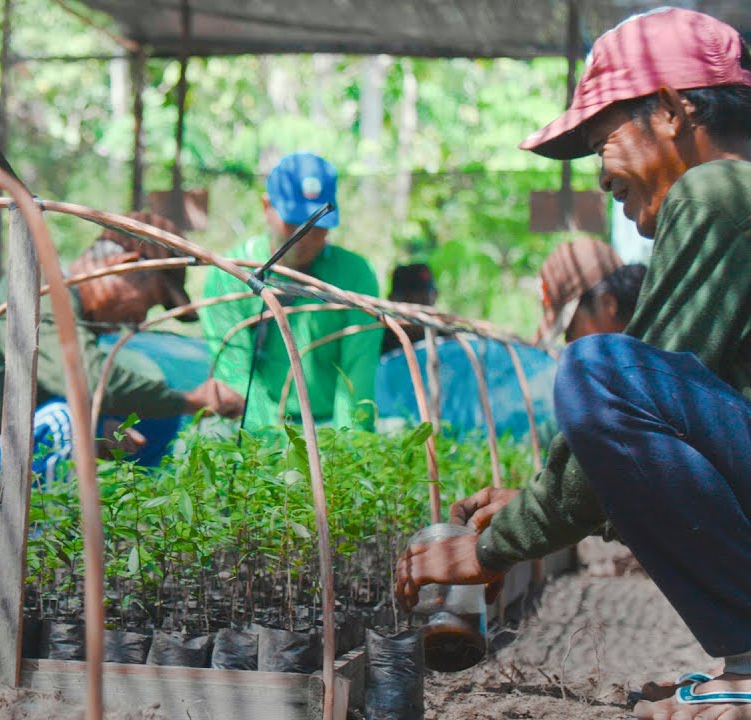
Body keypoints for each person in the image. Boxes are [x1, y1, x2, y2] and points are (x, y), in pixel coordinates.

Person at [394, 8, 751, 718]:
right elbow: (691, 447)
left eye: (602, 141)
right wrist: (538, 508)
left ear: (675, 111)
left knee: (596, 372)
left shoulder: (716, 193)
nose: (598, 178)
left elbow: (628, 389)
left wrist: (495, 550)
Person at [0, 210, 245, 479]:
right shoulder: (45, 291)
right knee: (65, 419)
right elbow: (84, 380)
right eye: (148, 302)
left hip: (4, 456)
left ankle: (130, 525)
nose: (139, 319)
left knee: (155, 419)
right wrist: (189, 401)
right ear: (125, 265)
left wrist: (99, 428)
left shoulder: (70, 307)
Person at [200, 152, 383, 430]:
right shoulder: (227, 277)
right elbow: (235, 375)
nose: (304, 235)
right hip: (253, 425)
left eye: (316, 224)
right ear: (266, 206)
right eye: (293, 222)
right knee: (208, 435)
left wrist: (348, 453)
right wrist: (278, 448)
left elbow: (356, 381)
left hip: (328, 426)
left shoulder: (356, 276)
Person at [380, 263, 438, 355]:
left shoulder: (449, 341)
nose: (417, 310)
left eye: (424, 300)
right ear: (391, 301)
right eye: (408, 300)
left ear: (435, 296)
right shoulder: (377, 344)